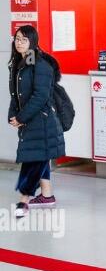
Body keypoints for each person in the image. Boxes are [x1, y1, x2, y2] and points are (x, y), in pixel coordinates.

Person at [7, 25, 65, 218]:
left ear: (33, 42)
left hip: (42, 122)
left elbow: (40, 97)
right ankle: (47, 196)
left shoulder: (40, 66)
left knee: (33, 159)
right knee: (39, 157)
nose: (19, 42)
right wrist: (13, 116)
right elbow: (16, 94)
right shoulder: (20, 64)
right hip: (29, 120)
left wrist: (22, 118)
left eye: (24, 39)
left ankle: (24, 200)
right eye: (17, 38)